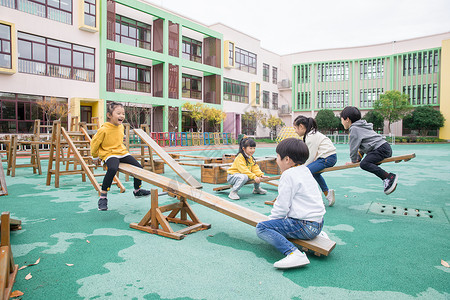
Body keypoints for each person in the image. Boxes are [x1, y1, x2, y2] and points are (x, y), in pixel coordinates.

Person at [256, 138, 325, 269]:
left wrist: (270, 223)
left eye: (277, 157)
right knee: (288, 218)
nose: (276, 160)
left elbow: (282, 206)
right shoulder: (305, 171)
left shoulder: (288, 175)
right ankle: (316, 233)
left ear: (287, 159)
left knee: (261, 228)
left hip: (305, 226)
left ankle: (294, 253)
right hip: (318, 223)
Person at [90, 102, 151, 211]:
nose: (122, 116)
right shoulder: (103, 129)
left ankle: (137, 191)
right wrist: (95, 157)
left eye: (123, 113)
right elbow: (94, 143)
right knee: (113, 168)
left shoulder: (121, 127)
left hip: (121, 152)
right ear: (109, 115)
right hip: (109, 153)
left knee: (139, 168)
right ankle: (103, 196)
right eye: (118, 113)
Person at [340, 106, 398, 195]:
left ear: (347, 119)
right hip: (384, 147)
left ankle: (388, 177)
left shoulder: (354, 129)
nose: (342, 122)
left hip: (380, 149)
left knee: (364, 164)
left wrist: (353, 160)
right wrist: (358, 159)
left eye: (342, 120)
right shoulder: (362, 126)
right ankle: (387, 177)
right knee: (368, 162)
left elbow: (353, 147)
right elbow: (362, 146)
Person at [293, 115, 337, 206]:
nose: (295, 131)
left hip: (327, 158)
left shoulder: (311, 137)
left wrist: (301, 168)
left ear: (301, 126)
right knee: (314, 173)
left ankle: (316, 198)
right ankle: (327, 194)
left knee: (306, 172)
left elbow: (310, 157)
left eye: (295, 128)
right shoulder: (310, 134)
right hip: (327, 157)